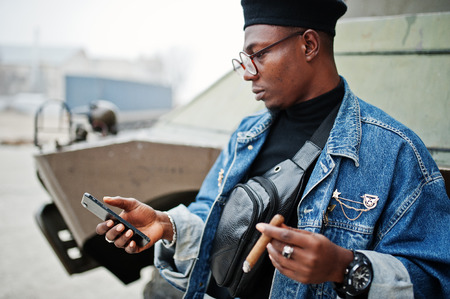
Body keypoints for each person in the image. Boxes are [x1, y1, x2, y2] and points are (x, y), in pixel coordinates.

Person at [96, 0, 450, 298]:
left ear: (309, 45)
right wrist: (166, 223)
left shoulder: (395, 151)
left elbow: (436, 279)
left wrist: (344, 266)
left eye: (258, 55)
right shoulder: (246, 134)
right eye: (244, 60)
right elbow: (213, 216)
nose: (248, 73)